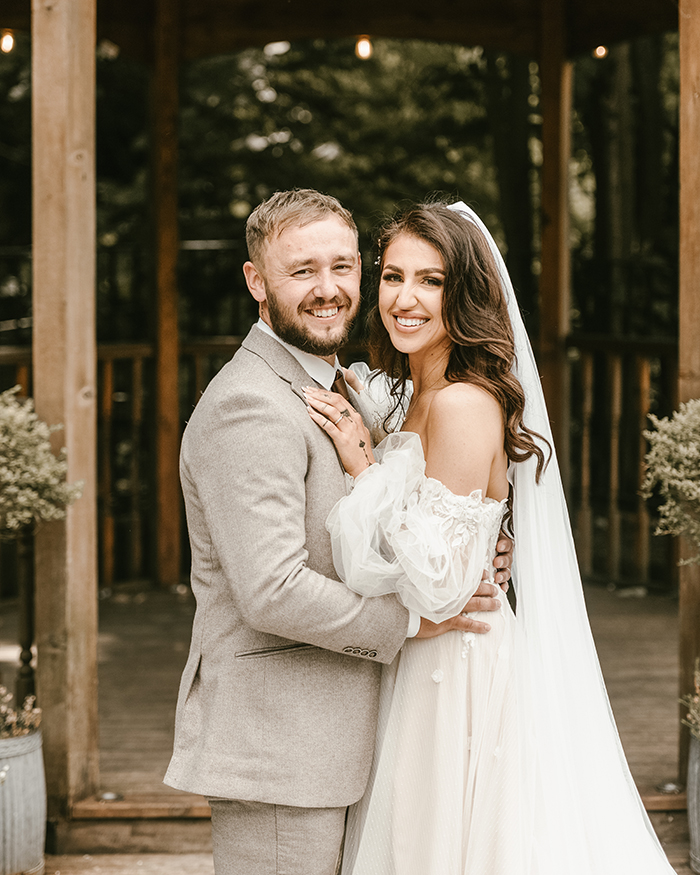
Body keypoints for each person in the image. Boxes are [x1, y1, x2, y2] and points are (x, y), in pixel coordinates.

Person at [305, 200, 677, 874]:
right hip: (418, 658)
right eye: (393, 276)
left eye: (431, 280)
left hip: (456, 666)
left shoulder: (462, 403)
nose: (405, 298)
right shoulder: (405, 394)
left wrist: (363, 466)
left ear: (464, 294)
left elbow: (444, 582)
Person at [164, 189, 513, 875]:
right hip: (281, 751)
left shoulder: (347, 390)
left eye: (343, 267)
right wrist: (416, 619)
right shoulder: (248, 405)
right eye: (302, 271)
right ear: (256, 281)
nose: (328, 289)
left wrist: (474, 543)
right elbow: (273, 590)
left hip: (357, 735)